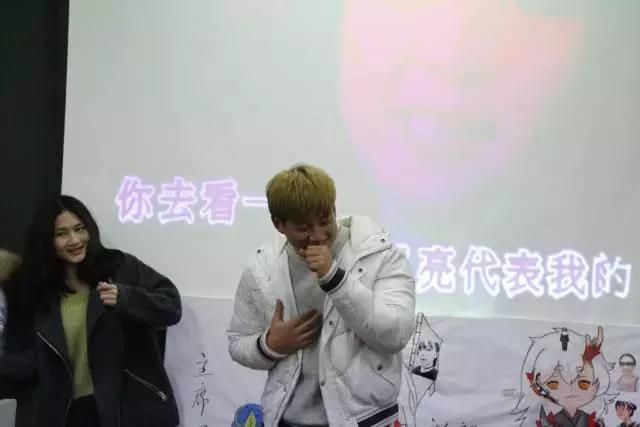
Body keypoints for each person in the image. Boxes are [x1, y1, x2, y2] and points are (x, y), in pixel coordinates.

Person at [227, 164, 416, 427]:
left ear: (334, 209)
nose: (318, 236)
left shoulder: (379, 255)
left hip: (364, 419)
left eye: (325, 220)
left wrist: (334, 278)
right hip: (286, 419)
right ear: (278, 225)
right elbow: (238, 342)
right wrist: (270, 344)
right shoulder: (262, 268)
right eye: (303, 228)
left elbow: (396, 334)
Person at [0, 195, 182, 427]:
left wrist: (127, 298)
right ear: (46, 240)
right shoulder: (30, 289)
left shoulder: (119, 267)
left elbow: (171, 306)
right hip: (60, 415)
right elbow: (28, 361)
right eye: (61, 234)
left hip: (121, 411)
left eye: (79, 229)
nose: (75, 240)